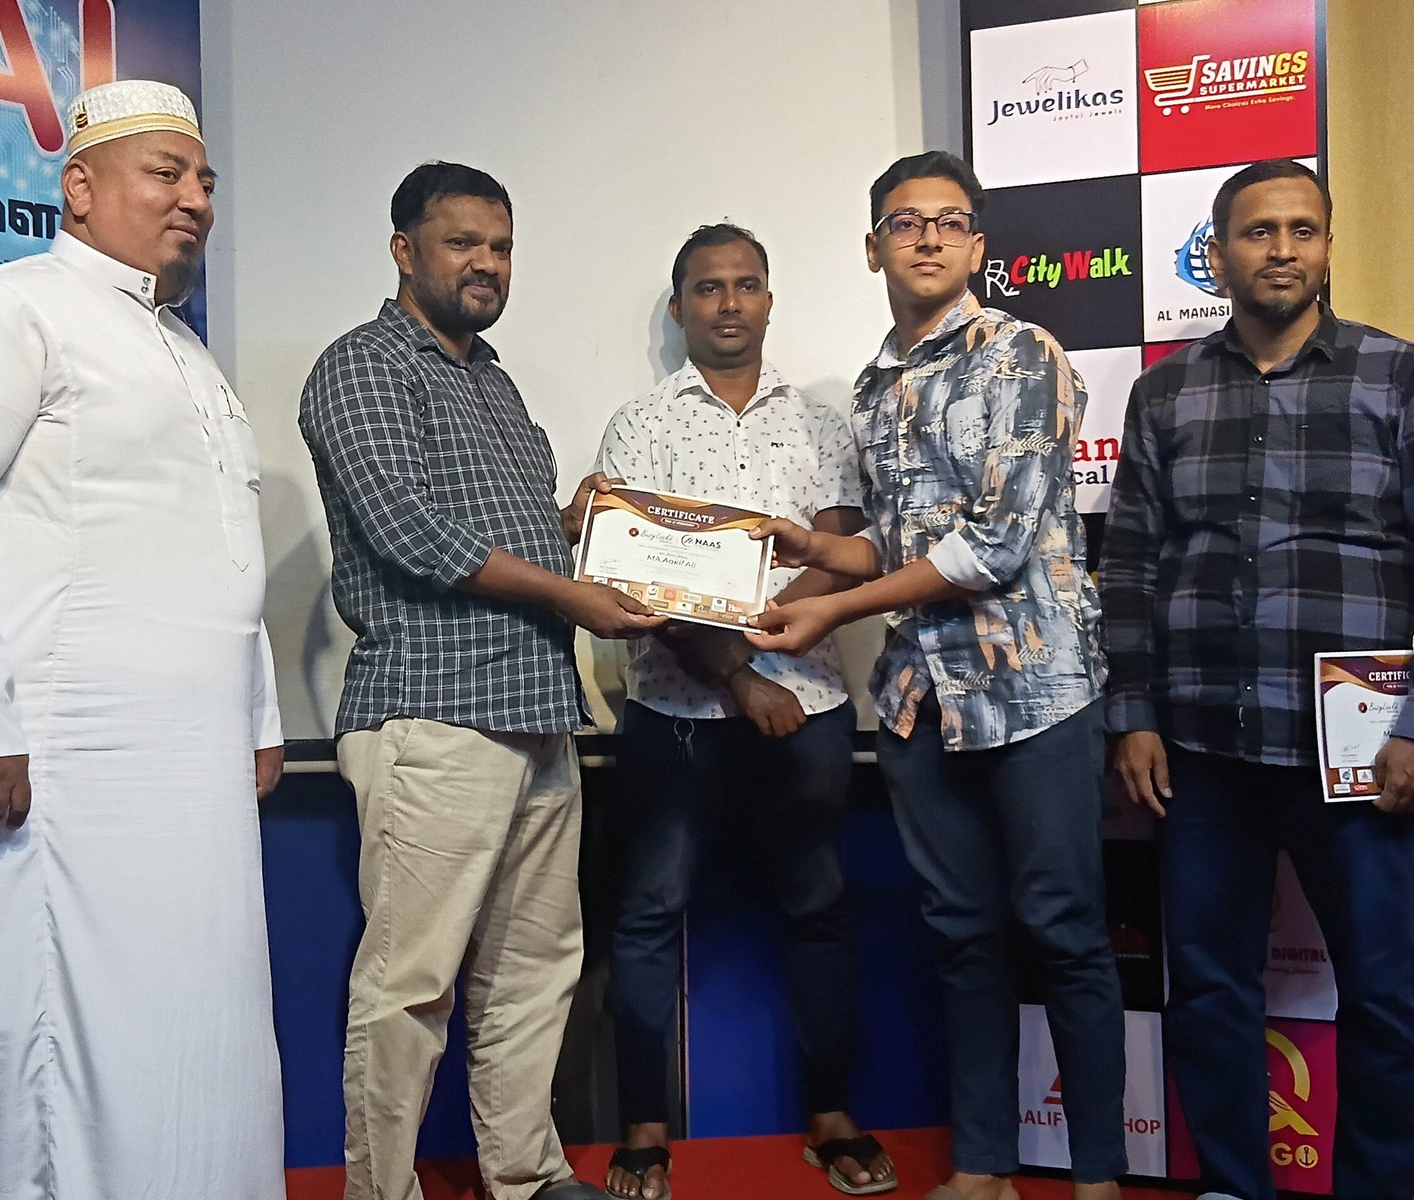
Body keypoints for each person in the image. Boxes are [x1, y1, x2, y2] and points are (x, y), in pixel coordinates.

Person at [0, 81, 285, 1199]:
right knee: (34, 1054)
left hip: (186, 786)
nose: (195, 198)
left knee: (192, 1042)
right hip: (49, 773)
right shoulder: (2, 310)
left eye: (204, 179)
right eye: (165, 173)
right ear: (78, 186)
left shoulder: (186, 353)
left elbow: (219, 549)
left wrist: (257, 716)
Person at [1101, 158, 1414, 1200]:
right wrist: (1131, 714)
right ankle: (1235, 1183)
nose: (1282, 249)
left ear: (1326, 245)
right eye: (1258, 231)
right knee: (1209, 988)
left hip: (1361, 759)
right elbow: (1129, 567)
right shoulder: (1165, 392)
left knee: (1381, 992)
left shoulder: (1403, 376)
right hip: (1202, 751)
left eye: (1302, 230)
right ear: (1218, 252)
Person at [745, 152, 1127, 1200]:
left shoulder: (1022, 354)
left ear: (976, 246)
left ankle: (1098, 1176)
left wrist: (835, 607)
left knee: (1064, 935)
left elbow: (994, 547)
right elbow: (896, 541)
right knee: (961, 939)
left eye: (948, 221)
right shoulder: (875, 388)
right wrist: (811, 550)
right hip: (923, 702)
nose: (926, 237)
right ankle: (983, 1166)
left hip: (1036, 692)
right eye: (903, 222)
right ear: (872, 248)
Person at [299, 161, 662, 1200]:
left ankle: (525, 1175)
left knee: (533, 972)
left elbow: (504, 539)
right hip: (435, 710)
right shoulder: (362, 364)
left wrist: (578, 526)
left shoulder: (493, 381)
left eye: (500, 246)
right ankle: (381, 1191)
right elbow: (411, 534)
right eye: (462, 242)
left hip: (537, 710)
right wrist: (570, 594)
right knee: (410, 985)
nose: (486, 264)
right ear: (404, 250)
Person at [593, 224, 896, 1200]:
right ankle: (644, 1129)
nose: (728, 302)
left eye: (746, 284)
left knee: (818, 909)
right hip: (675, 711)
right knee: (649, 914)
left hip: (807, 708)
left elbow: (840, 549)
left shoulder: (821, 424)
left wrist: (774, 632)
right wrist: (736, 674)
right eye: (708, 287)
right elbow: (633, 570)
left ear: (769, 300)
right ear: (679, 306)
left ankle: (831, 1115)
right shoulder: (640, 425)